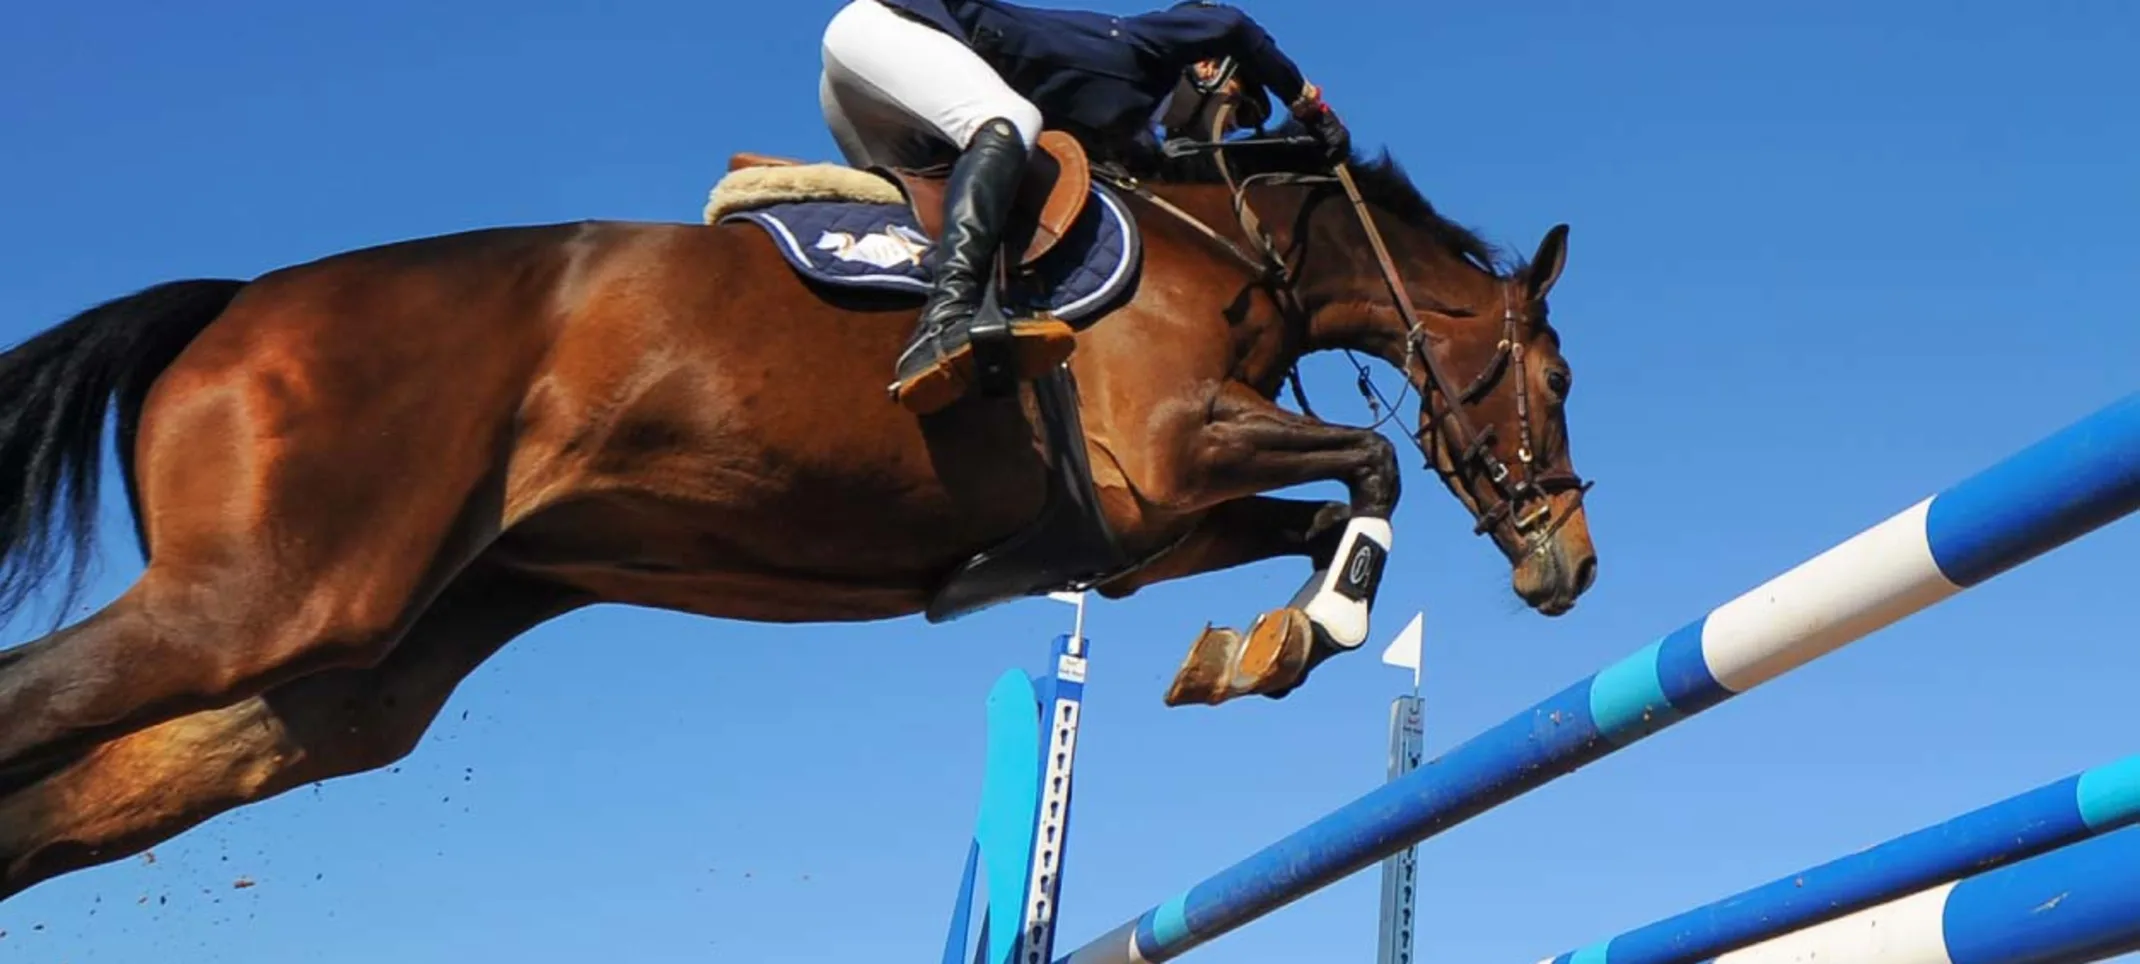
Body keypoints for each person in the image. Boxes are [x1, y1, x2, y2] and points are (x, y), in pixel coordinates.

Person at [818, 0, 1351, 416]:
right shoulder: (1149, 47)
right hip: (886, 31)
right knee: (1008, 121)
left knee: (920, 233)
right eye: (1238, 105)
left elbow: (1175, 179)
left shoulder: (1131, 130)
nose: (1231, 125)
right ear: (1208, 68)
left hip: (880, 101)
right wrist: (1307, 104)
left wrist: (1300, 157)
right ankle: (948, 319)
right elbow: (1232, 22)